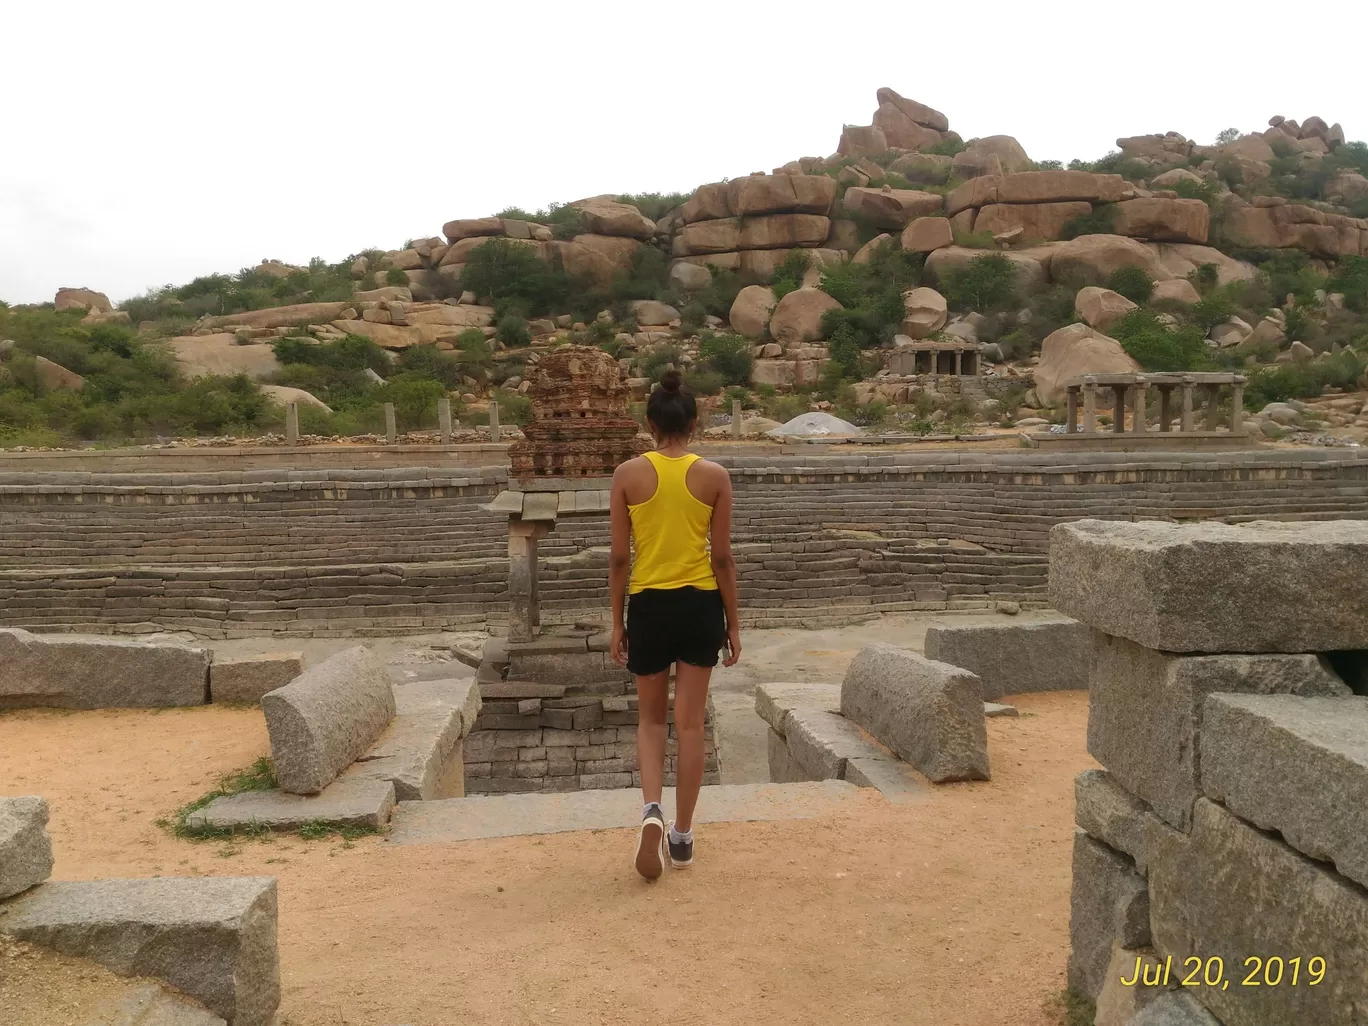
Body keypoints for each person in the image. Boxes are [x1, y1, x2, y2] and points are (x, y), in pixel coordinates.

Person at [609, 369, 740, 881]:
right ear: (695, 423)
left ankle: (651, 812)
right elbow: (724, 558)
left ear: (649, 423)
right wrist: (733, 623)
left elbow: (620, 558)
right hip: (700, 604)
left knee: (650, 722)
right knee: (690, 725)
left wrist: (616, 622)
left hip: (648, 604)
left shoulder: (627, 475)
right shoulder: (715, 477)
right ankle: (682, 836)